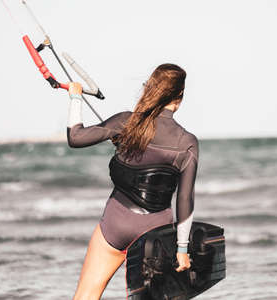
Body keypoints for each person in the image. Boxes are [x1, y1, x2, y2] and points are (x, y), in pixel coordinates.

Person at [67, 64, 198, 300]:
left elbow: (75, 138)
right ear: (179, 97)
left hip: (115, 224)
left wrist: (76, 97)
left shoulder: (126, 122)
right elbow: (185, 199)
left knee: (86, 295)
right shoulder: (187, 142)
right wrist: (182, 249)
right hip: (154, 232)